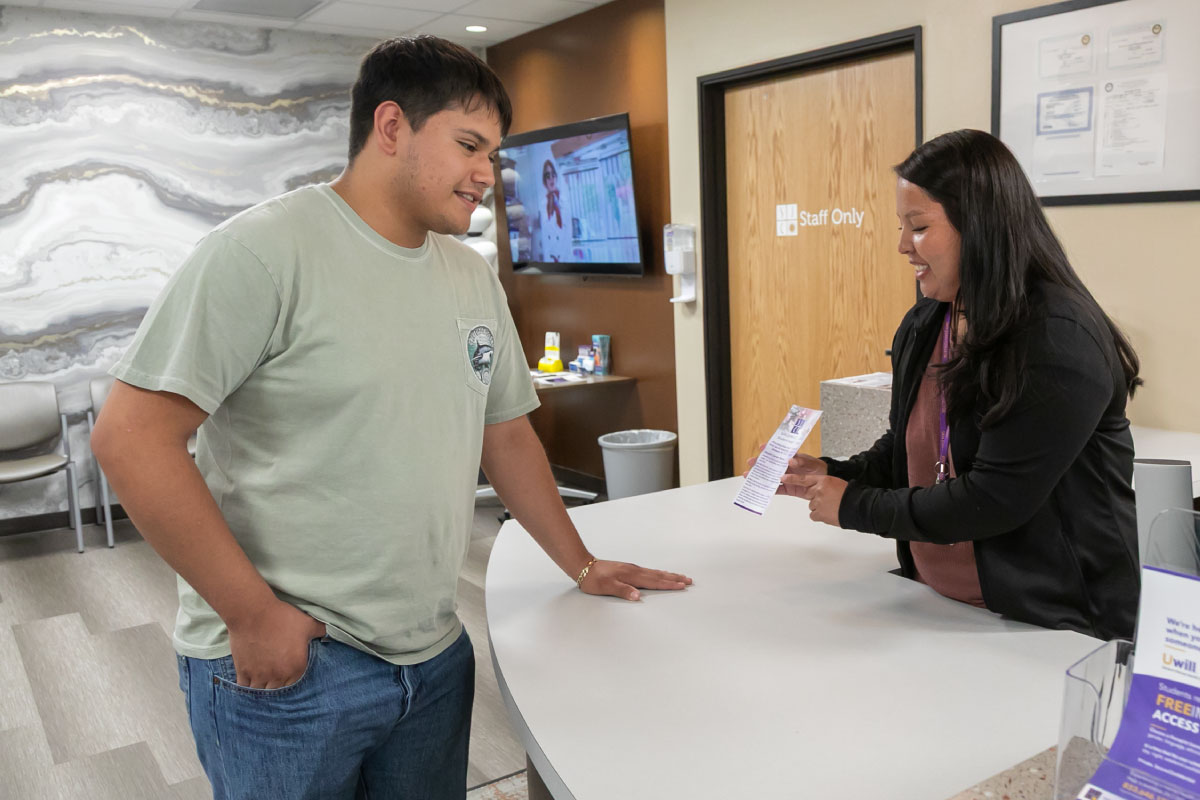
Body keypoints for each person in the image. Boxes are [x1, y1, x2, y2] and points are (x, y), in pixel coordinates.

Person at [92, 35, 691, 800]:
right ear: (391, 128)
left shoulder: (469, 277)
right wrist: (251, 616)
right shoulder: (262, 252)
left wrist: (580, 562)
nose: (489, 173)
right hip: (293, 665)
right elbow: (131, 439)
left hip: (433, 654)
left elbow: (504, 433)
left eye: (494, 152)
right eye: (469, 144)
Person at [756, 129, 1141, 641]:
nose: (901, 246)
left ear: (980, 226)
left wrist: (853, 505)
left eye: (917, 227)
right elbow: (910, 449)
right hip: (940, 608)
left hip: (1049, 624)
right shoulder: (929, 320)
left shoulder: (1055, 338)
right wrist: (831, 471)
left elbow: (995, 497)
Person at [537, 157, 571, 262]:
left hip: (566, 257)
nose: (551, 178)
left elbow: (568, 233)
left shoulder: (565, 201)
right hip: (551, 258)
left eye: (553, 174)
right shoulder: (543, 205)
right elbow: (545, 235)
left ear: (556, 176)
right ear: (544, 180)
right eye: (547, 176)